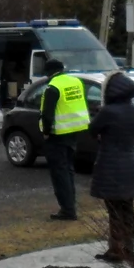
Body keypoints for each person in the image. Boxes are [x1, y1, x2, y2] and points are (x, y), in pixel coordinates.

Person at [87, 71, 134, 264]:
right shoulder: (133, 110)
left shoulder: (108, 112)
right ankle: (129, 249)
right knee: (127, 210)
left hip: (112, 166)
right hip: (130, 166)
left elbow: (93, 131)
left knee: (114, 210)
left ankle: (116, 251)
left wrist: (97, 114)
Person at [40, 59, 89, 220]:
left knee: (59, 174)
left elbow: (47, 115)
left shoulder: (53, 87)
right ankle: (71, 204)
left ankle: (67, 210)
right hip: (74, 132)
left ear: (49, 72)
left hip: (57, 135)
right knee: (68, 170)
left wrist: (46, 132)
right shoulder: (76, 81)